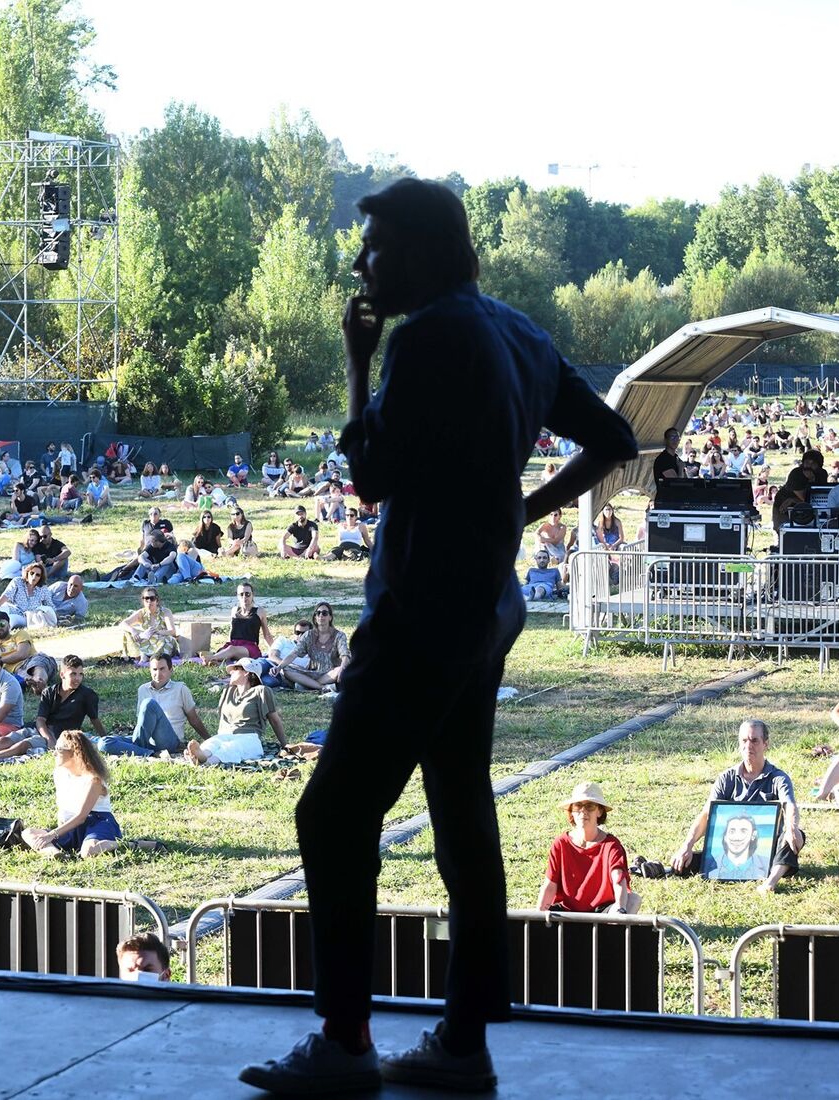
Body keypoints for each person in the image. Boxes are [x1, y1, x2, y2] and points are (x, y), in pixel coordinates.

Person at [240, 179, 638, 1094]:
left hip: (419, 611)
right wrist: (521, 508)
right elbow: (613, 436)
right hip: (485, 610)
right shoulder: (515, 330)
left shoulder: (419, 340)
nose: (360, 263)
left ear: (417, 252)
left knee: (332, 813)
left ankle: (344, 1044)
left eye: (373, 247)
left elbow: (371, 476)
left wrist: (356, 357)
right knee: (463, 815)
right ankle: (463, 1043)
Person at [671, 719, 804, 893]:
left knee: (795, 835)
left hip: (767, 850)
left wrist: (791, 828)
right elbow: (707, 814)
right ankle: (660, 869)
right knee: (689, 858)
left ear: (766, 744)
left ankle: (770, 883)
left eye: (754, 740)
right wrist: (687, 845)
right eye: (744, 740)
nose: (749, 745)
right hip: (731, 847)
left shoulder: (778, 778)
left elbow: (790, 806)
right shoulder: (726, 778)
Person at [536, 781, 640, 913]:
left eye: (589, 806)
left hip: (601, 914)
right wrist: (537, 917)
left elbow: (619, 880)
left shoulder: (611, 845)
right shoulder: (560, 843)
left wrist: (620, 909)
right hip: (567, 914)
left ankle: (613, 933)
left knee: (633, 900)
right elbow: (550, 885)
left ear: (599, 811)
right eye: (578, 806)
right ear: (571, 812)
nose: (583, 811)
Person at [0, 654, 108, 761]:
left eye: (80, 674)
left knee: (24, 745)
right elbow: (40, 720)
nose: (77, 678)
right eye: (73, 674)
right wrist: (48, 737)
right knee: (6, 740)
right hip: (41, 730)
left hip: (61, 736)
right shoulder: (49, 692)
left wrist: (105, 738)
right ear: (62, 674)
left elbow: (94, 719)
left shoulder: (87, 695)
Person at [22, 731, 125, 858]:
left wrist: (51, 835)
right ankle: (55, 854)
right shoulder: (59, 773)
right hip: (70, 826)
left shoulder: (94, 779)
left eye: (59, 749)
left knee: (89, 851)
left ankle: (130, 844)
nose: (54, 753)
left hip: (97, 822)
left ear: (75, 752)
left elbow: (82, 816)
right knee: (28, 833)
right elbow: (64, 808)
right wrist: (56, 833)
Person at [100, 653, 210, 757]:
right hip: (147, 739)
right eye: (154, 669)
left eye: (162, 669)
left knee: (149, 704)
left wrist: (209, 739)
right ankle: (150, 753)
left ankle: (136, 748)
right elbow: (142, 722)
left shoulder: (181, 689)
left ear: (171, 670)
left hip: (169, 740)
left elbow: (194, 719)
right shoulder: (143, 689)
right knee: (104, 742)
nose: (158, 673)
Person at [185, 658, 286, 765]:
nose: (231, 672)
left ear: (247, 672)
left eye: (236, 668)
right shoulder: (228, 691)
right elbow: (223, 720)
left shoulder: (261, 691)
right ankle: (202, 755)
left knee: (230, 748)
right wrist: (219, 737)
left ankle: (207, 762)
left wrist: (285, 745)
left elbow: (274, 720)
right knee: (212, 743)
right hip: (226, 735)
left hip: (248, 736)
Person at [271, 603, 349, 693]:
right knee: (286, 670)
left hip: (330, 673)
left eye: (324, 613)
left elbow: (345, 656)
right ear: (315, 617)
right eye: (318, 613)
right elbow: (294, 654)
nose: (321, 615)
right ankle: (321, 687)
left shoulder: (339, 635)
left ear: (330, 617)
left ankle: (307, 685)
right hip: (312, 673)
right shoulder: (308, 635)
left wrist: (343, 668)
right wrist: (279, 667)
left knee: (342, 669)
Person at [202, 582, 274, 665]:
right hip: (234, 644)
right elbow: (231, 630)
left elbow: (267, 635)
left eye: (247, 594)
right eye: (241, 594)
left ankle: (211, 658)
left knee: (231, 650)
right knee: (225, 652)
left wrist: (274, 650)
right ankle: (218, 663)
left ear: (252, 595)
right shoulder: (234, 610)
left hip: (249, 647)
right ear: (237, 596)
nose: (244, 597)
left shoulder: (259, 611)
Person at [0, 562, 56, 630]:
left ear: (41, 577)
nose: (34, 577)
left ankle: (0, 628)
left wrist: (57, 617)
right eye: (32, 573)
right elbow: (6, 595)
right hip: (14, 609)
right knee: (1, 608)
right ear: (27, 573)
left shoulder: (43, 588)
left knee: (11, 618)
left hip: (27, 616)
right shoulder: (17, 581)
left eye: (37, 575)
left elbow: (50, 606)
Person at [773, 448, 827, 529]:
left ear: (819, 465)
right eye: (807, 462)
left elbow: (818, 496)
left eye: (813, 463)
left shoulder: (822, 474)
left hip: (807, 509)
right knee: (784, 531)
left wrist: (793, 500)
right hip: (784, 507)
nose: (809, 466)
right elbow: (804, 498)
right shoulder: (796, 474)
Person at [122, 588, 179, 659]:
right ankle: (140, 655)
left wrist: (157, 632)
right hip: (146, 641)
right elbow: (123, 624)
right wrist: (133, 631)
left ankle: (155, 657)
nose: (149, 601)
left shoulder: (166, 612)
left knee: (168, 640)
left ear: (157, 600)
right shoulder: (141, 613)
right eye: (146, 598)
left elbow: (172, 632)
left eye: (152, 598)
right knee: (127, 633)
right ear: (143, 601)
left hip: (161, 640)